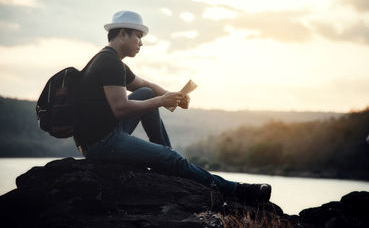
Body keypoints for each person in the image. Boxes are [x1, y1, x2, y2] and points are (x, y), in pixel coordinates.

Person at [73, 10, 271, 201]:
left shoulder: (109, 59)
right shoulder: (110, 63)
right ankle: (236, 190)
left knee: (147, 93)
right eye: (138, 36)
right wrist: (160, 102)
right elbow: (121, 109)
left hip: (102, 134)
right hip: (101, 143)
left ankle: (167, 159)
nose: (141, 42)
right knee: (169, 155)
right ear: (123, 34)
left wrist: (173, 96)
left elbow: (146, 86)